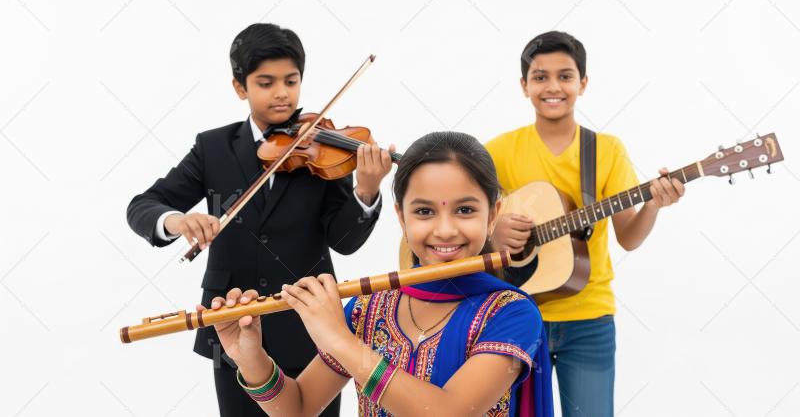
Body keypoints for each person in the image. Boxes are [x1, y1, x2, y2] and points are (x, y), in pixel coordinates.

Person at [126, 23, 393, 416]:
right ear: (240, 87)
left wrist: (366, 191)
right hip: (232, 322)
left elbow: (345, 241)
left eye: (291, 80)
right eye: (266, 82)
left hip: (312, 326)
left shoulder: (322, 142)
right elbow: (144, 204)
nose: (282, 93)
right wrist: (177, 220)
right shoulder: (213, 146)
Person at [198, 131, 554, 416]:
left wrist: (340, 340)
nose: (445, 230)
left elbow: (446, 413)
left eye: (464, 210)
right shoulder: (370, 308)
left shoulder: (511, 313)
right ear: (401, 217)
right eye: (425, 212)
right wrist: (251, 359)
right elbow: (300, 408)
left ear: (493, 215)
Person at [486, 31, 685, 416]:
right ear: (524, 86)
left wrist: (654, 206)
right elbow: (468, 217)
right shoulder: (498, 150)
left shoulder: (606, 150)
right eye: (540, 77)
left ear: (583, 83)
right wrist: (494, 233)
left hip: (590, 318)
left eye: (565, 75)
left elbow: (628, 237)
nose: (553, 86)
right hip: (515, 312)